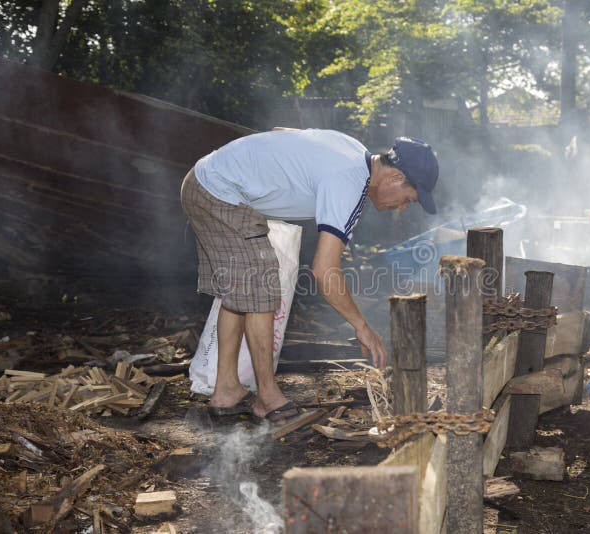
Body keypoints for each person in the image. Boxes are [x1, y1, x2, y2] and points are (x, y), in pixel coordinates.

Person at [180, 128, 439, 422]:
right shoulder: (350, 183)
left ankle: (227, 390)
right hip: (218, 192)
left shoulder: (352, 149)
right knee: (261, 283)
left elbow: (283, 132)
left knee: (243, 289)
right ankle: (267, 398)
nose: (403, 208)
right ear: (394, 178)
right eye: (409, 199)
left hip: (208, 181)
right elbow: (324, 271)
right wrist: (361, 326)